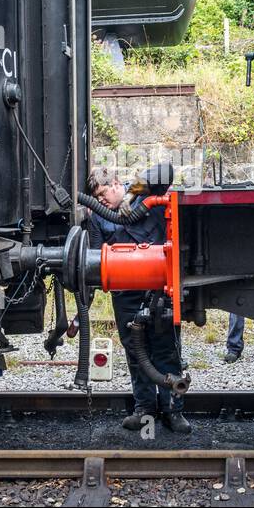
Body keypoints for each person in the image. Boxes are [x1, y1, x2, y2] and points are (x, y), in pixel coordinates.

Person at [86, 167, 191, 434]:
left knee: (167, 350)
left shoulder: (143, 194)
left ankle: (173, 411)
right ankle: (144, 409)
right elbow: (95, 260)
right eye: (96, 198)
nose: (101, 201)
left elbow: (165, 170)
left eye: (102, 193)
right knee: (136, 353)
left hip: (158, 289)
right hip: (125, 296)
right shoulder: (98, 218)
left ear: (116, 183)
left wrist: (133, 195)